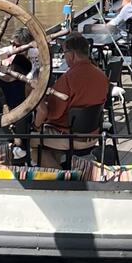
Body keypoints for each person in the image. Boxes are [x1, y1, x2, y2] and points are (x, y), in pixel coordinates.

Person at [34, 32, 109, 166]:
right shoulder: (102, 75)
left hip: (71, 137)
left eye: (64, 54)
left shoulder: (68, 79)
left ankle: (59, 177)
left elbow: (53, 113)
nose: (65, 58)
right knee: (51, 140)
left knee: (28, 142)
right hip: (94, 134)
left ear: (72, 54)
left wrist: (36, 122)